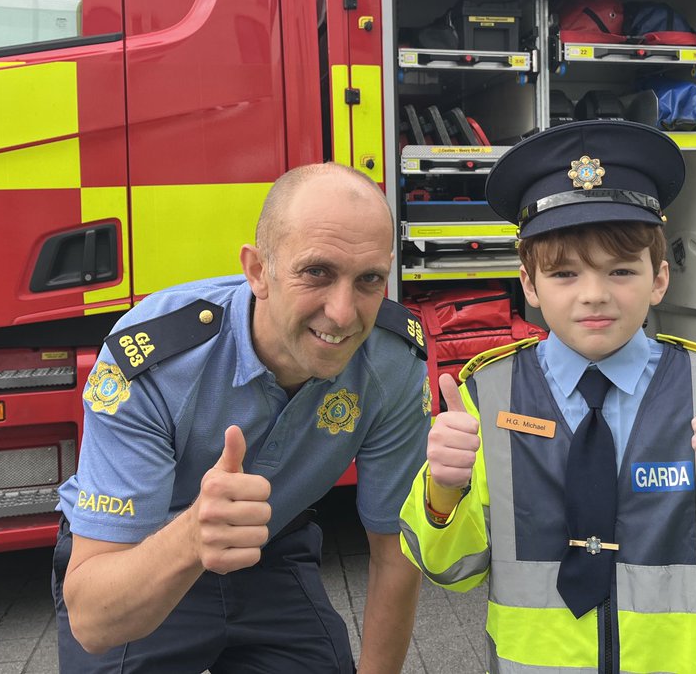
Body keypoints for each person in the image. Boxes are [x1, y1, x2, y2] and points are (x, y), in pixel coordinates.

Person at [399, 120, 696, 674]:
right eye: (564, 273)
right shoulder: (483, 396)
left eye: (621, 270)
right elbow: (448, 568)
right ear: (528, 284)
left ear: (659, 279)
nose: (594, 295)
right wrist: (442, 492)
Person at [53, 163, 431, 673]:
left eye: (368, 280)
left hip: (268, 550)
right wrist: (193, 535)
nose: (344, 313)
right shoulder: (156, 358)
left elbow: (396, 550)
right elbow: (94, 622)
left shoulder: (392, 361)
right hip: (143, 555)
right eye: (316, 272)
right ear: (258, 271)